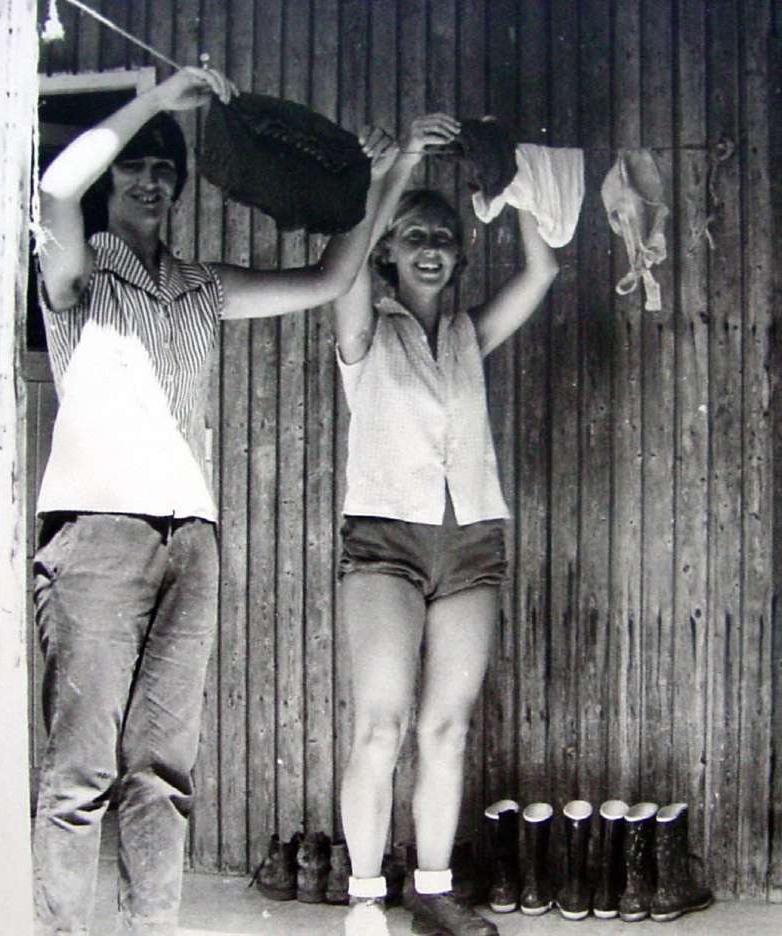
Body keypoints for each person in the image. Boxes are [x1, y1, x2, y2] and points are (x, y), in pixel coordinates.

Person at [31, 66, 395, 935]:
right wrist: (157, 103)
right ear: (114, 177)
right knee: (80, 774)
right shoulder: (80, 274)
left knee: (161, 771)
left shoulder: (203, 285)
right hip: (95, 533)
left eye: (166, 170)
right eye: (136, 166)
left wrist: (378, 183)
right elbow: (54, 191)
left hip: (192, 539)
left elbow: (328, 277)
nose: (150, 181)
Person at [334, 114, 560, 936]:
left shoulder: (468, 333)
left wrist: (513, 180)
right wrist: (396, 168)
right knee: (380, 724)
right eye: (415, 237)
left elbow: (543, 268)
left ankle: (432, 891)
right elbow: (347, 257)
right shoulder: (363, 325)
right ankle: (366, 901)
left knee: (447, 728)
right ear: (390, 252)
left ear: (461, 255)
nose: (430, 248)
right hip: (385, 544)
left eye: (444, 237)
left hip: (472, 545)